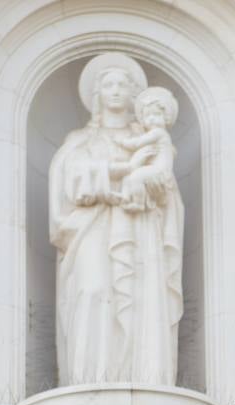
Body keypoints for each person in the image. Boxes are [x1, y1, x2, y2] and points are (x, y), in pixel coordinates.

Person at [49, 53, 184, 387]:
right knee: (93, 291)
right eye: (108, 84)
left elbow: (167, 190)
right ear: (96, 93)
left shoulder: (152, 136)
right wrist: (120, 171)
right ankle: (88, 381)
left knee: (142, 300)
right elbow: (68, 184)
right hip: (91, 230)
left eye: (123, 84)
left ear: (134, 94)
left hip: (141, 229)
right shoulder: (80, 141)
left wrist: (150, 184)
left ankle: (145, 379)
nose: (115, 91)